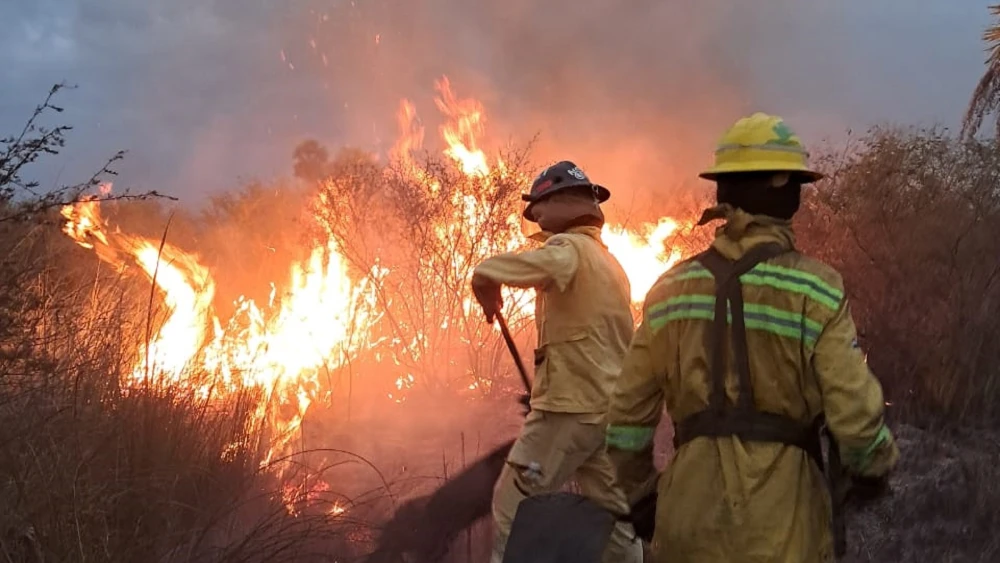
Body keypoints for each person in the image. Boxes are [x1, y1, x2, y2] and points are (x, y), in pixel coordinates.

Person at [604, 113, 900, 563]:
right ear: (785, 190)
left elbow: (625, 419)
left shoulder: (668, 290)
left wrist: (642, 499)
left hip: (686, 524)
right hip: (782, 529)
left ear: (723, 191)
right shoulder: (816, 289)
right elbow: (855, 416)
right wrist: (872, 470)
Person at [470, 160, 644, 563]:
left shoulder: (568, 250)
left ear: (561, 201)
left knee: (515, 501)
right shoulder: (611, 264)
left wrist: (485, 278)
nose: (537, 217)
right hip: (608, 414)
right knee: (617, 519)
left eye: (540, 207)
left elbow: (511, 268)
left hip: (570, 411)